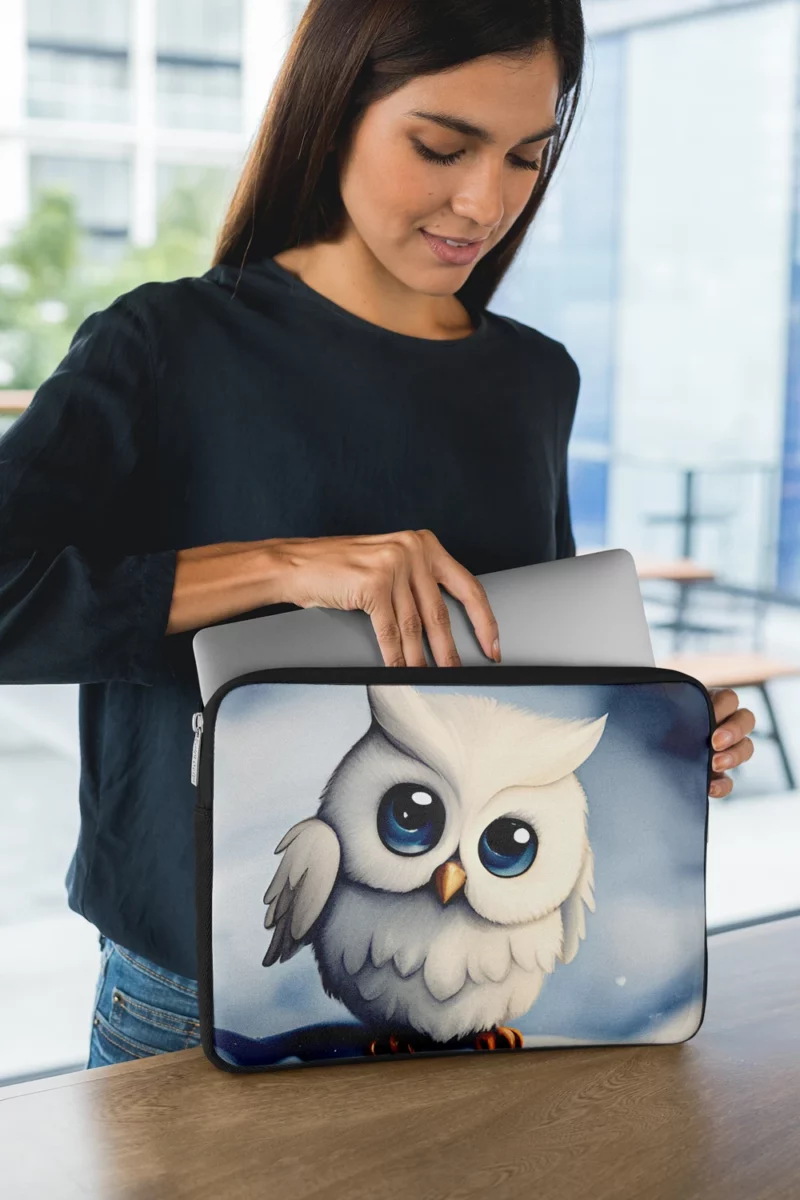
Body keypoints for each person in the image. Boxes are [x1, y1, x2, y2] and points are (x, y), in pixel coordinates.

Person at [0, 0, 755, 1070]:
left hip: (478, 1004)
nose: (482, 201)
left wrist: (663, 734)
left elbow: (517, 673)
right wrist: (289, 567)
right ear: (332, 109)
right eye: (440, 146)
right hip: (192, 999)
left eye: (524, 158)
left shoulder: (535, 379)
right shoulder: (163, 345)